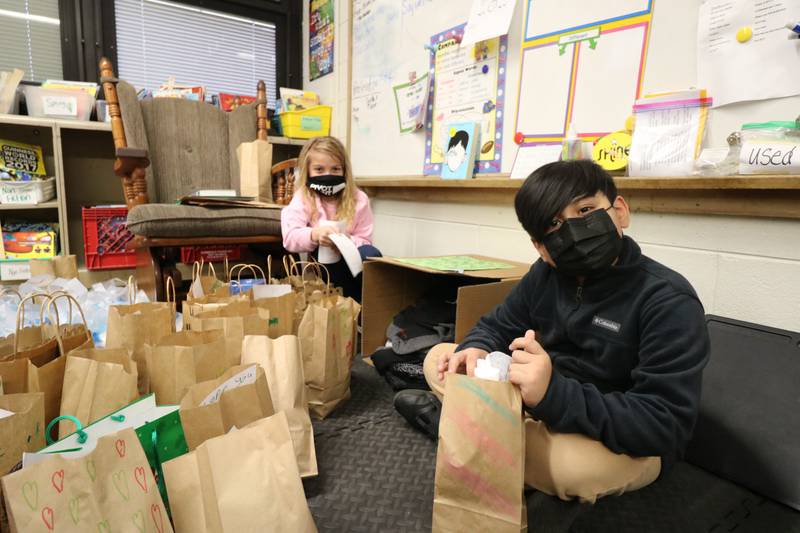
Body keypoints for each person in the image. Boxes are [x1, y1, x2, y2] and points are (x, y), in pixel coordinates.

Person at [394, 160, 710, 503]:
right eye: (555, 224)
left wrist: (552, 393)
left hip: (620, 440)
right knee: (442, 358)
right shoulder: (543, 276)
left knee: (572, 470)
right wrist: (477, 347)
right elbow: (497, 324)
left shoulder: (667, 300)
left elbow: (663, 424)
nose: (574, 230)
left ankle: (457, 426)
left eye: (586, 209)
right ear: (541, 248)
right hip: (539, 404)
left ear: (620, 211)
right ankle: (488, 429)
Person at [281, 136, 381, 302]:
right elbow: (290, 237)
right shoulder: (303, 197)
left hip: (352, 263)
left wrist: (346, 241)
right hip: (322, 267)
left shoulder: (359, 199)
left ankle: (364, 309)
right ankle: (339, 305)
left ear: (344, 170)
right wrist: (315, 234)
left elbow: (365, 240)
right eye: (319, 170)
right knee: (325, 254)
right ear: (308, 171)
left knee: (371, 255)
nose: (328, 175)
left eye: (335, 169)